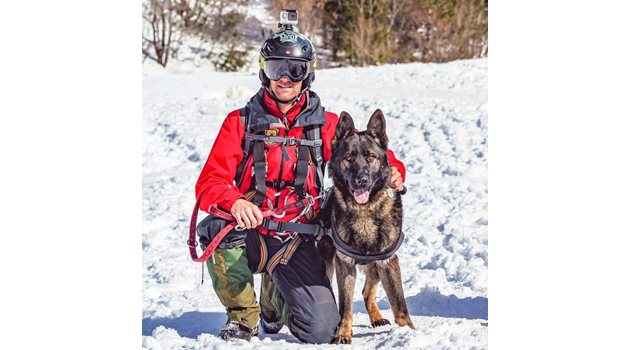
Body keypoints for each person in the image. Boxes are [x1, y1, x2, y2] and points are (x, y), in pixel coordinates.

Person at [194, 26, 406, 344]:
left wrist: (395, 170)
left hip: (298, 237)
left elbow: (367, 149)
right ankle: (242, 318)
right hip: (250, 231)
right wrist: (235, 202)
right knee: (215, 227)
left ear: (308, 75)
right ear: (264, 72)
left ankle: (273, 303)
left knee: (321, 330)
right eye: (276, 68)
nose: (285, 78)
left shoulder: (326, 124)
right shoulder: (239, 123)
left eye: (295, 69)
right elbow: (210, 182)